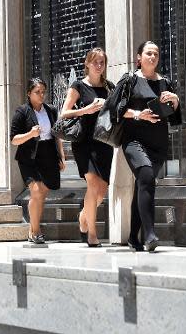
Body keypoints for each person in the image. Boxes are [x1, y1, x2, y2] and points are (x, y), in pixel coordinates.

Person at [120, 41, 180, 252]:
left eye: (156, 54)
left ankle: (132, 237)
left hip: (158, 143)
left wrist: (175, 100)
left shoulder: (165, 82)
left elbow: (175, 117)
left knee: (142, 184)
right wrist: (138, 114)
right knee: (146, 176)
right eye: (148, 53)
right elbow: (113, 109)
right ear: (139, 58)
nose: (153, 57)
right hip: (134, 140)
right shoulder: (130, 80)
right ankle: (150, 234)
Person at [60, 48, 114, 246]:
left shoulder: (109, 87)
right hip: (84, 142)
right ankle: (92, 233)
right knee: (92, 185)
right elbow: (64, 113)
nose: (99, 65)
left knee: (101, 191)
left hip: (104, 143)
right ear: (87, 64)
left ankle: (83, 216)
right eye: (95, 62)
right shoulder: (78, 86)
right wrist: (87, 109)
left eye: (102, 62)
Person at [10, 78, 66, 244]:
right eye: (37, 92)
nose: (41, 95)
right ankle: (36, 231)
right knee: (36, 191)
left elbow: (57, 135)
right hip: (29, 156)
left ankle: (32, 229)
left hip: (48, 154)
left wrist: (61, 156)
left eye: (43, 92)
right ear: (29, 93)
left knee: (41, 195)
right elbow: (13, 140)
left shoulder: (51, 110)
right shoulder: (22, 112)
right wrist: (30, 134)